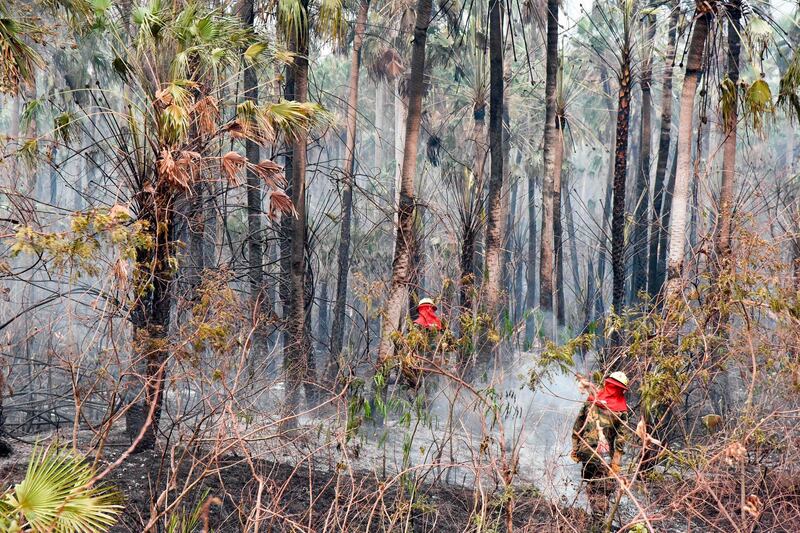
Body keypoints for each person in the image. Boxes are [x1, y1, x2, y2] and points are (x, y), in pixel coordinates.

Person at [571, 371, 630, 531]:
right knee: (603, 490)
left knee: (592, 484)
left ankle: (596, 519)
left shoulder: (591, 401)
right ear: (621, 389)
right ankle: (598, 525)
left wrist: (575, 450)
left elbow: (577, 427)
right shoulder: (620, 411)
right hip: (603, 456)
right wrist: (616, 464)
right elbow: (620, 440)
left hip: (586, 452)